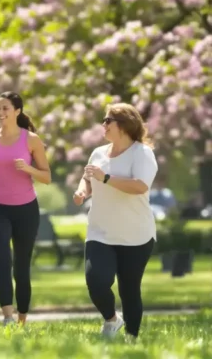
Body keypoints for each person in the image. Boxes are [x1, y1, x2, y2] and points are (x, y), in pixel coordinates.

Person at [72, 102, 157, 339]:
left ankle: (131, 339)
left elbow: (140, 186)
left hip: (136, 235)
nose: (104, 124)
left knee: (129, 290)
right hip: (100, 232)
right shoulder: (99, 153)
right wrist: (82, 191)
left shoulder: (142, 153)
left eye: (108, 120)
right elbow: (88, 177)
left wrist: (106, 178)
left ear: (124, 125)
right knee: (96, 280)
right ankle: (111, 319)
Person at [0, 91, 51, 326]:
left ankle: (22, 319)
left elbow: (46, 177)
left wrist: (28, 169)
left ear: (17, 111)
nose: (0, 113)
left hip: (26, 209)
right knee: (2, 260)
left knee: (22, 265)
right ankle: (7, 316)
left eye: (5, 108)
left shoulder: (31, 140)